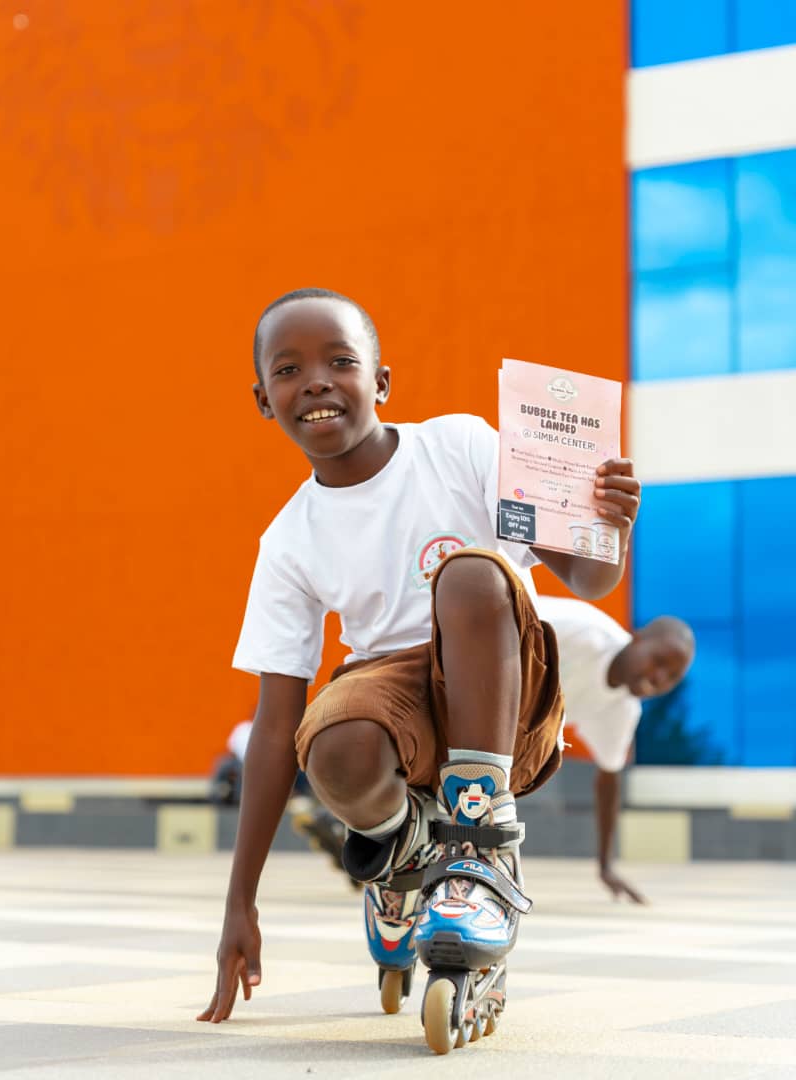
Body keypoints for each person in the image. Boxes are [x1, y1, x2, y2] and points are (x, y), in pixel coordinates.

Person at [197, 287, 640, 1048]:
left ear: (381, 382)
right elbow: (273, 727)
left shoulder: (458, 447)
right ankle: (400, 857)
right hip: (394, 701)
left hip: (504, 690)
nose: (316, 381)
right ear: (264, 400)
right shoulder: (289, 540)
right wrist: (240, 900)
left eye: (341, 361)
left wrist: (608, 524)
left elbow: (589, 579)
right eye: (289, 369)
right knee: (330, 740)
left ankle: (477, 855)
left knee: (466, 576)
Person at [534, 596, 695, 904]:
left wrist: (606, 866)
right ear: (636, 638)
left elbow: (608, 778)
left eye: (672, 677)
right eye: (659, 661)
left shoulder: (622, 711)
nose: (659, 678)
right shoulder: (580, 629)